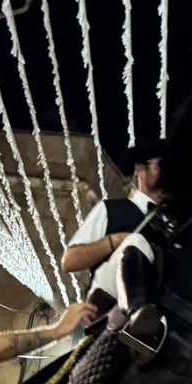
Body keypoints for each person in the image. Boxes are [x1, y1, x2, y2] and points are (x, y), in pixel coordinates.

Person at [62, 139, 167, 357]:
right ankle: (139, 318)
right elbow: (70, 261)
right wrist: (115, 240)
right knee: (136, 243)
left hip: (158, 303)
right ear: (140, 169)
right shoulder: (112, 209)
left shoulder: (171, 224)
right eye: (161, 165)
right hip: (106, 304)